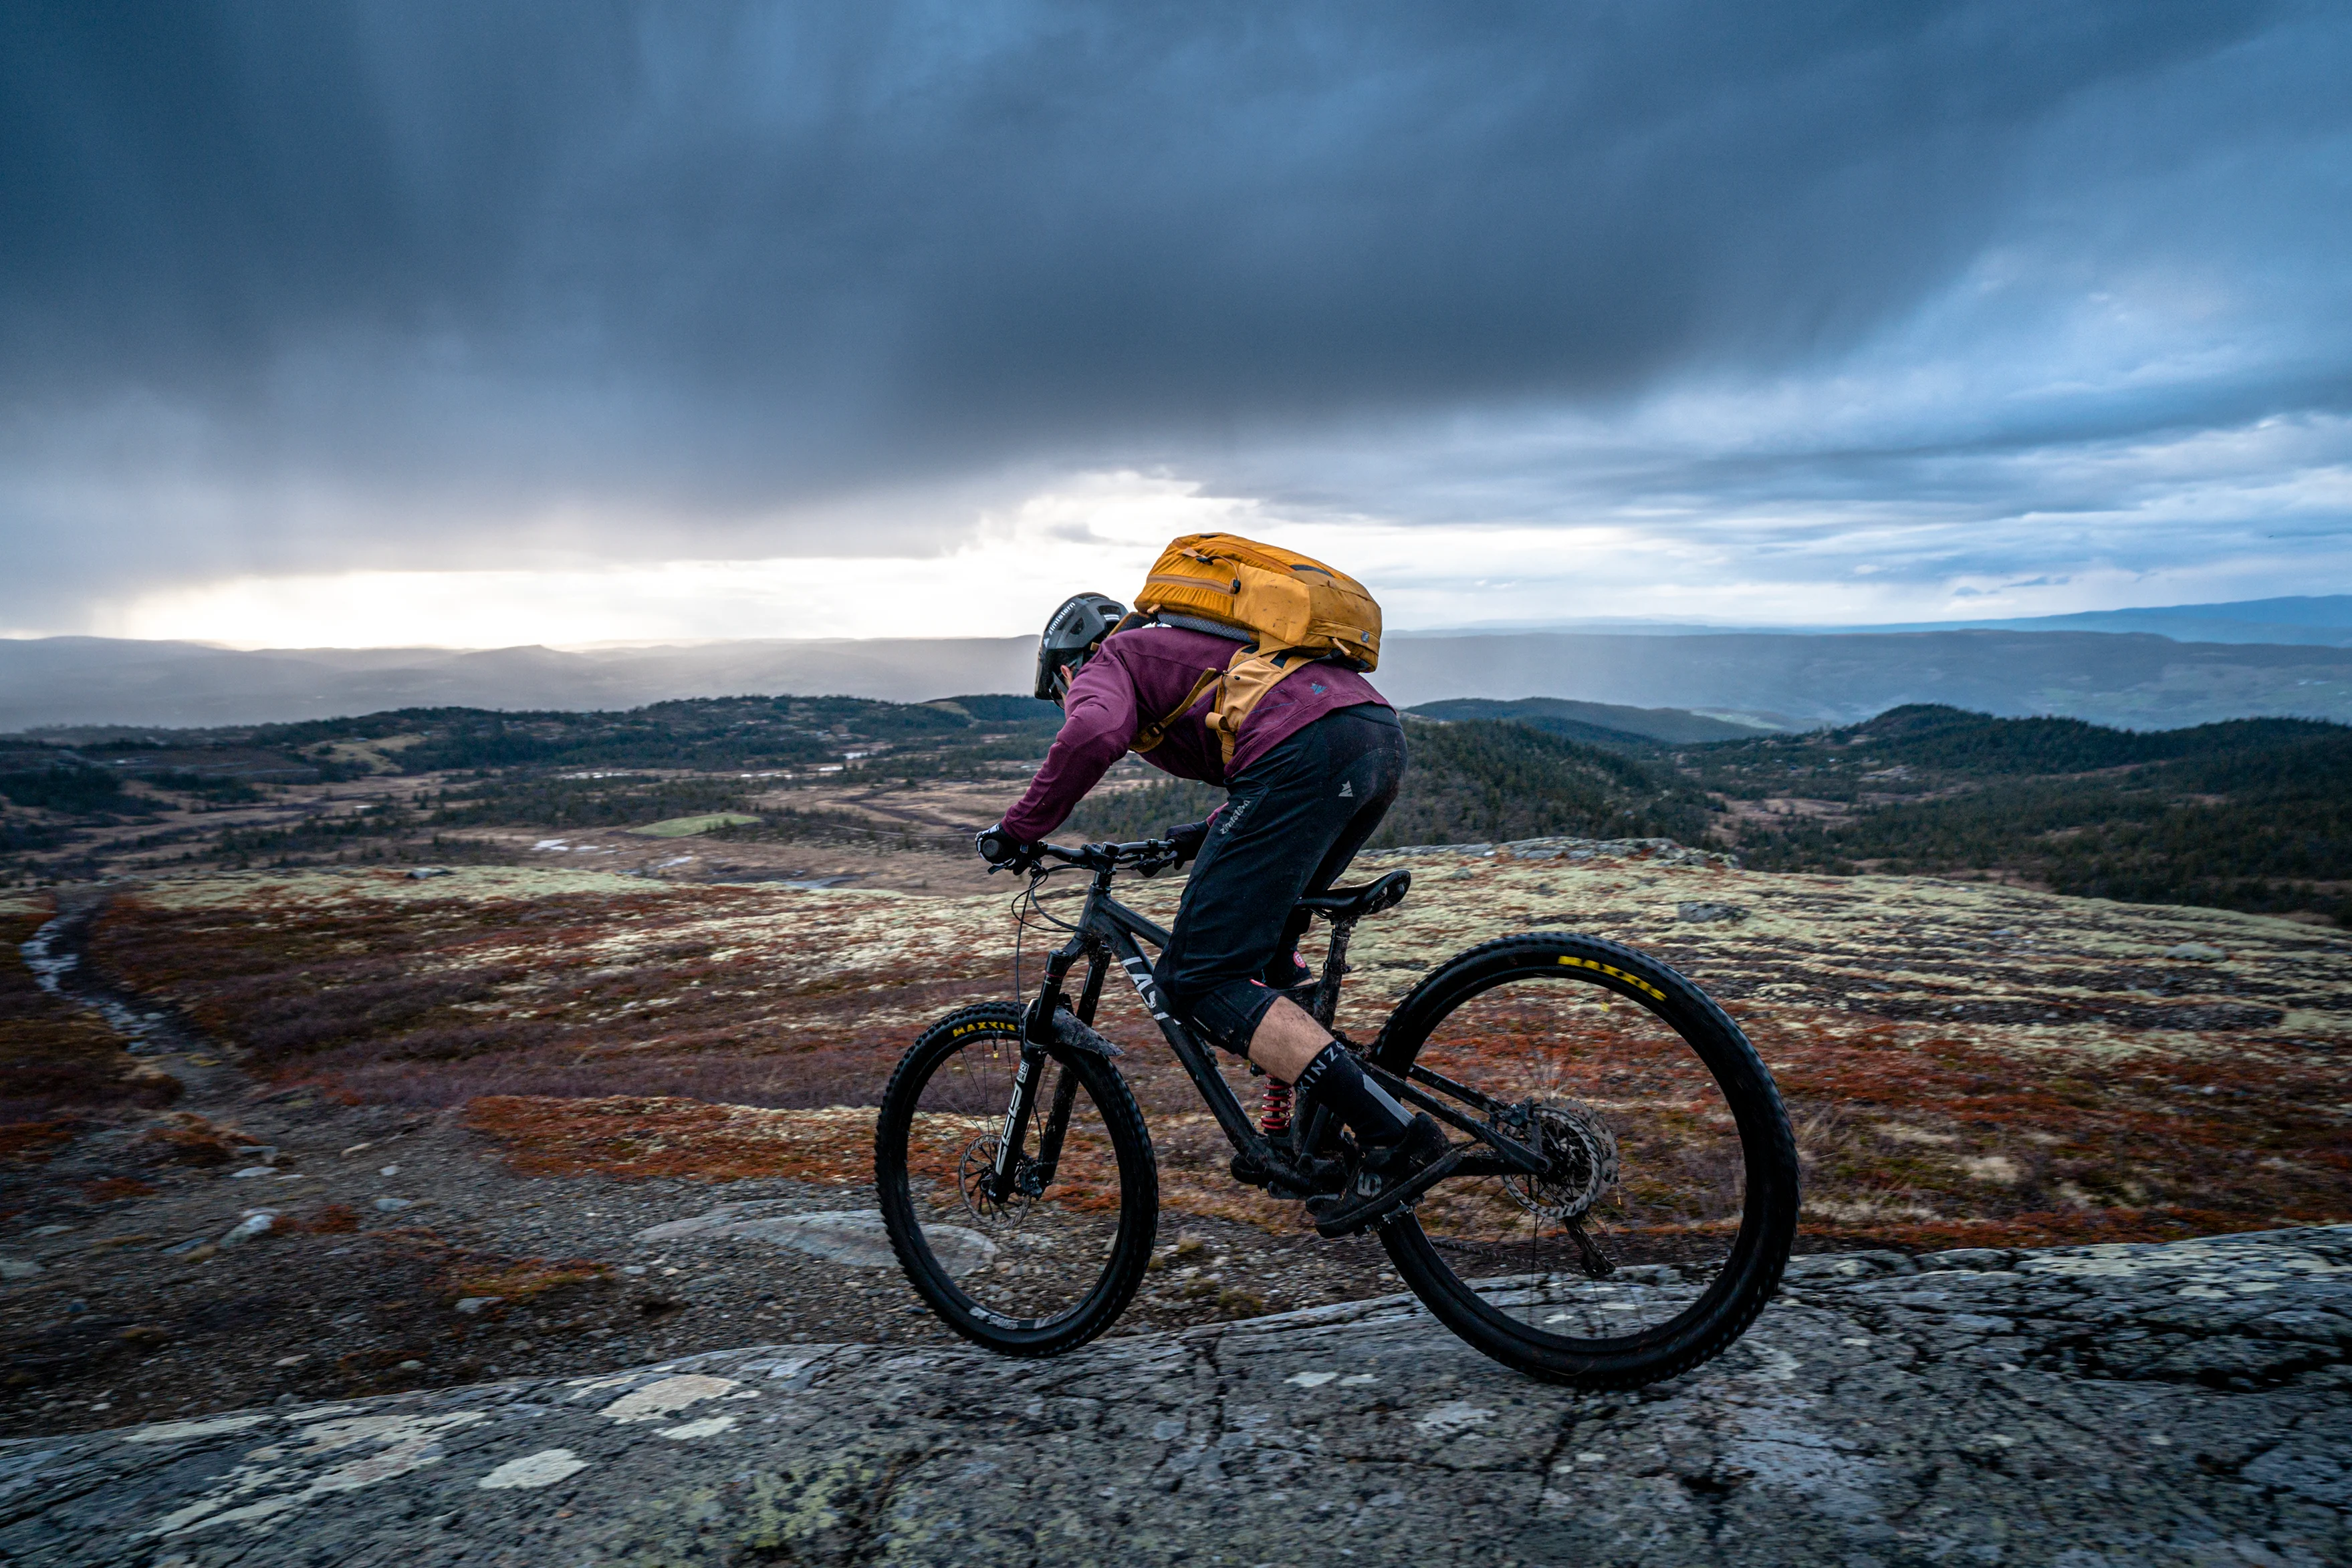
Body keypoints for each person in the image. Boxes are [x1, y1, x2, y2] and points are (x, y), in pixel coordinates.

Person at [974, 592, 1447, 1186]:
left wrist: (1017, 831)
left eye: (1061, 694)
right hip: (1373, 736)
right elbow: (1257, 761)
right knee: (1266, 948)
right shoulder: (1198, 646)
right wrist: (1196, 837)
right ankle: (1304, 1143)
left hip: (1308, 751)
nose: (1070, 700)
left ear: (1068, 668)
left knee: (1196, 979)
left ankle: (1397, 1133)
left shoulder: (1110, 659)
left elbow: (1093, 732)